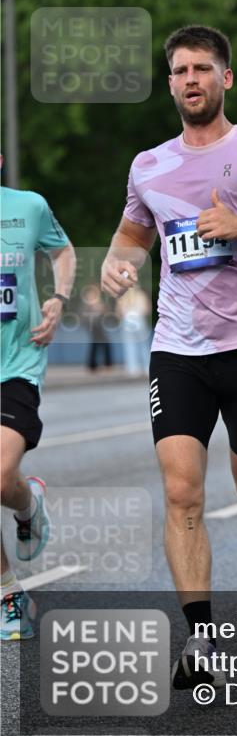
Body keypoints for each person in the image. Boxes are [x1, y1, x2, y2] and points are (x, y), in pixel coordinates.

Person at [100, 25, 237, 689]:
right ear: (169, 84)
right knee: (180, 492)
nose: (190, 79)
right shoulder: (148, 165)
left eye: (201, 68)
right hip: (177, 349)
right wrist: (118, 264)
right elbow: (134, 231)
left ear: (226, 78)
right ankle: (202, 640)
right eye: (179, 70)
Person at [1, 167, 76, 640]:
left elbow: (63, 250)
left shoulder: (28, 206)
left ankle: (28, 507)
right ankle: (9, 595)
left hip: (18, 361)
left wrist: (59, 298)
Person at [116, 285, 152, 376]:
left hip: (127, 320)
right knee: (144, 345)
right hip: (139, 319)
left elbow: (119, 312)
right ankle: (147, 367)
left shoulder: (123, 296)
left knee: (129, 345)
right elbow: (147, 310)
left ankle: (132, 368)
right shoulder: (141, 295)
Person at [81, 283, 112, 371]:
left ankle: (104, 364)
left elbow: (105, 313)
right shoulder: (87, 305)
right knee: (97, 343)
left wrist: (101, 309)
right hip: (93, 326)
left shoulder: (99, 303)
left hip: (99, 326)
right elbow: (84, 316)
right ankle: (94, 365)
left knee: (101, 343)